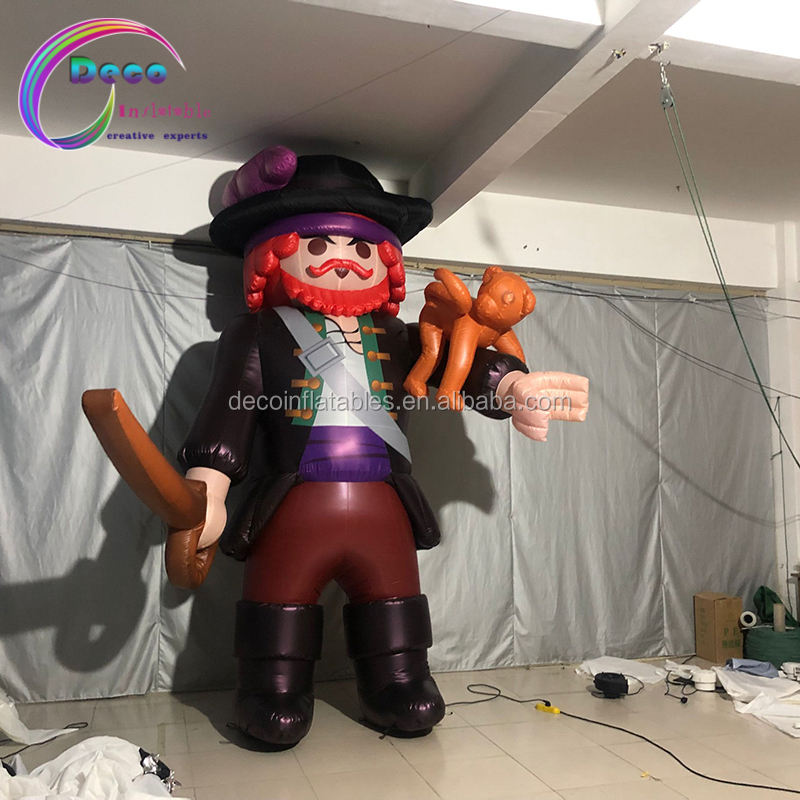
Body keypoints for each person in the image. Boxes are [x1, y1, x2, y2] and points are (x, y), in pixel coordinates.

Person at [177, 145, 588, 748]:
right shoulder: (256, 334)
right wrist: (209, 487)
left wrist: (512, 386)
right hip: (293, 503)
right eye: (320, 245)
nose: (343, 260)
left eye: (361, 248)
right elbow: (227, 413)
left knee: (394, 600)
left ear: (386, 263)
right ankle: (270, 689)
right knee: (278, 600)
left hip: (384, 505)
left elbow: (459, 367)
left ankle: (398, 682)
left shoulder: (399, 337)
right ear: (272, 257)